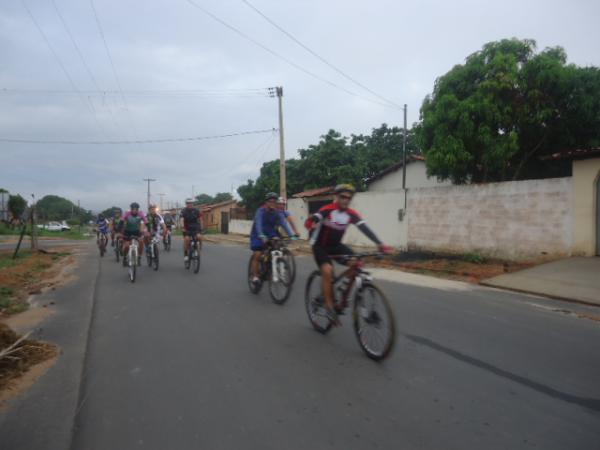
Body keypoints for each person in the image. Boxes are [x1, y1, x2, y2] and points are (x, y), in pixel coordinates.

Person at [305, 184, 392, 324]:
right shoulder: (327, 210)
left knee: (357, 263)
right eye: (343, 197)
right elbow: (316, 216)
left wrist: (380, 244)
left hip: (336, 246)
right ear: (336, 197)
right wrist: (312, 222)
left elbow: (364, 228)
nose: (346, 200)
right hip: (320, 246)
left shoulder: (351, 214)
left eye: (349, 198)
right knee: (327, 271)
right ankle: (329, 307)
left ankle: (343, 295)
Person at [249, 192, 296, 287]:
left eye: (274, 202)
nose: (272, 203)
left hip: (271, 234)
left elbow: (284, 224)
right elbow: (258, 224)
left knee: (277, 247)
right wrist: (261, 235)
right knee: (258, 254)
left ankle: (273, 264)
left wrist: (292, 235)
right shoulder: (260, 211)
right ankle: (255, 276)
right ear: (266, 202)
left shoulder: (278, 213)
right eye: (270, 201)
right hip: (258, 234)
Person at [121, 202, 148, 266]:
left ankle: (139, 257)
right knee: (127, 246)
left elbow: (146, 222)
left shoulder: (141, 214)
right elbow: (121, 222)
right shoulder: (127, 214)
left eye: (136, 209)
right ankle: (124, 257)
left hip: (137, 231)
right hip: (127, 232)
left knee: (141, 242)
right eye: (133, 209)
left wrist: (148, 228)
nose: (134, 210)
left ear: (138, 209)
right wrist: (119, 230)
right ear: (131, 209)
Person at [181, 198, 203, 263]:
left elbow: (201, 220)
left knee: (199, 237)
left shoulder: (197, 210)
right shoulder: (183, 211)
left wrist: (201, 227)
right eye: (188, 203)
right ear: (186, 204)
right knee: (187, 239)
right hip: (187, 228)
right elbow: (181, 220)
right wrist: (182, 227)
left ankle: (199, 249)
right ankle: (186, 254)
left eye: (191, 203)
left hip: (195, 227)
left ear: (193, 204)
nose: (190, 204)